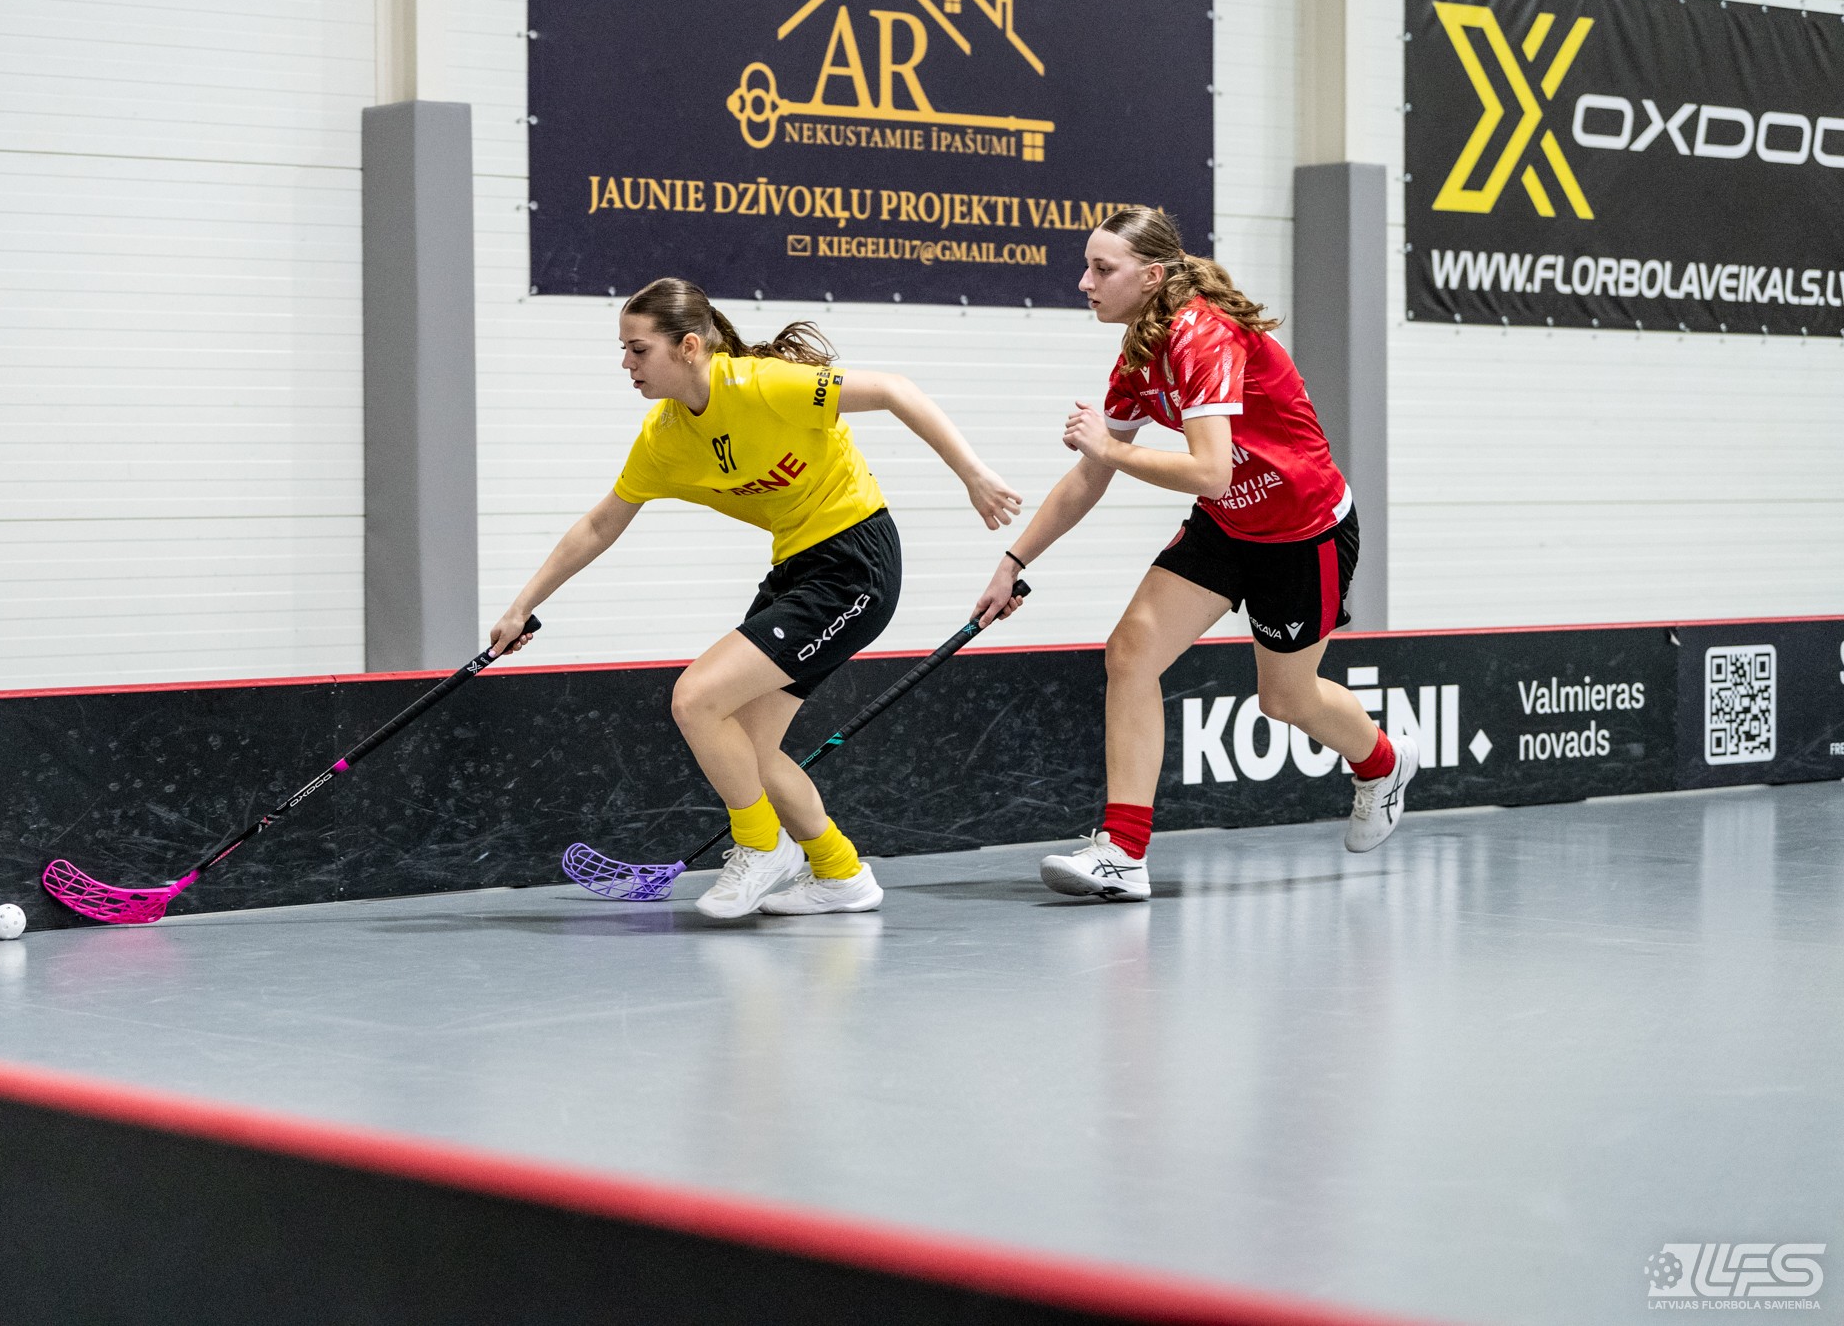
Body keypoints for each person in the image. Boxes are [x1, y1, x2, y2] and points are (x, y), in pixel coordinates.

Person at [491, 278, 1021, 918]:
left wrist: (974, 475)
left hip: (854, 563)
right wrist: (521, 605)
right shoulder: (664, 436)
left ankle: (761, 845)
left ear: (689, 346)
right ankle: (840, 873)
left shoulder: (763, 385)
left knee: (696, 698)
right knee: (748, 749)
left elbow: (894, 390)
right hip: (796, 569)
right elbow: (601, 524)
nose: (626, 363)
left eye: (638, 349)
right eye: (624, 350)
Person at [972, 207, 1416, 901]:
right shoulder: (1139, 356)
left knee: (1286, 699)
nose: (1084, 282)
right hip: (1226, 526)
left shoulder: (1201, 336)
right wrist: (1014, 562)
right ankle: (1123, 852)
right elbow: (1092, 476)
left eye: (1102, 269)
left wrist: (1112, 448)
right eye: (1088, 267)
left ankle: (1383, 762)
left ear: (1152, 276)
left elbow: (1209, 469)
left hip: (1303, 532)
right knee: (1130, 653)